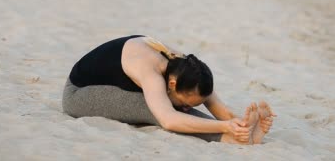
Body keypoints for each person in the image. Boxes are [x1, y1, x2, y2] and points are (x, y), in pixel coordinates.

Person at [62, 35, 276, 144]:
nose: (188, 108)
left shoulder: (187, 68)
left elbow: (214, 104)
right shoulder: (151, 71)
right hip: (80, 94)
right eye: (186, 103)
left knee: (173, 105)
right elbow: (168, 120)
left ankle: (238, 138)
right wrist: (226, 128)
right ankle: (227, 140)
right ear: (172, 84)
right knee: (152, 108)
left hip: (109, 85)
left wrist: (242, 124)